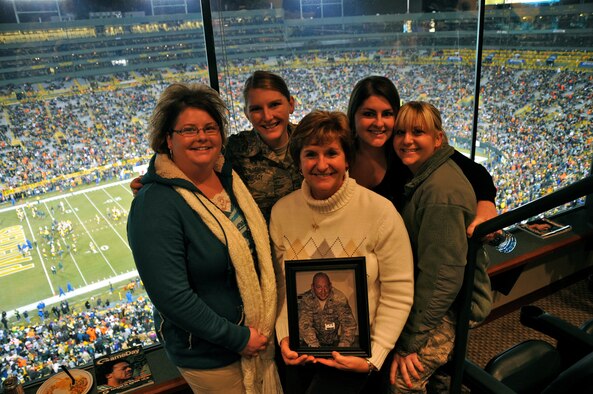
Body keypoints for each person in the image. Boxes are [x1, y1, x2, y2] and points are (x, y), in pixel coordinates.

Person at [127, 83, 281, 393]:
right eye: (188, 130)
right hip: (213, 355)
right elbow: (172, 298)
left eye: (210, 128)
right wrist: (237, 338)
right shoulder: (154, 204)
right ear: (167, 140)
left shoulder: (230, 177)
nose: (201, 136)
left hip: (259, 337)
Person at [270, 110, 414, 393]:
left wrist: (373, 357)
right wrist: (286, 336)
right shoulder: (282, 213)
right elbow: (282, 289)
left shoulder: (380, 212)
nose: (321, 164)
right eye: (311, 154)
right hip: (302, 355)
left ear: (347, 159)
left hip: (358, 358)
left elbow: (399, 291)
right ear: (298, 161)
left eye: (331, 153)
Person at [388, 102, 492, 393]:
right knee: (443, 381)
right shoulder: (429, 173)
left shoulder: (440, 193)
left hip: (449, 306)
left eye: (417, 132)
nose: (406, 140)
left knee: (401, 381)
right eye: (400, 132)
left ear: (438, 139)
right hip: (443, 299)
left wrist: (409, 342)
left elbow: (442, 279)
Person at [346, 76, 498, 238]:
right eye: (368, 114)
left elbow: (478, 174)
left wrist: (486, 206)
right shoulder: (340, 153)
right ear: (353, 115)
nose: (379, 123)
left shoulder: (404, 150)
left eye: (387, 114)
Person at [298, 272, 357, 348]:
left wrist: (344, 345)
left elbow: (349, 324)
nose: (323, 291)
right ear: (312, 287)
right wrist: (315, 348)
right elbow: (305, 325)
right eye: (319, 287)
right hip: (309, 342)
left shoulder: (339, 298)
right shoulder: (306, 299)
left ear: (330, 285)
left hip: (333, 341)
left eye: (326, 287)